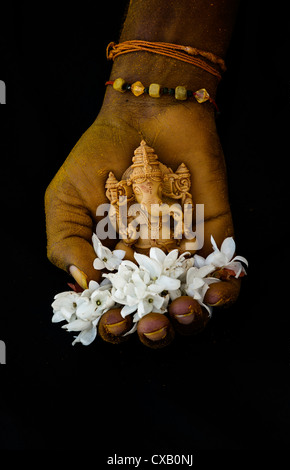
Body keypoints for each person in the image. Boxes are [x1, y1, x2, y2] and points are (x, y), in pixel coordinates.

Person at [45, 0, 242, 346]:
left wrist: (184, 246)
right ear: (132, 185)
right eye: (141, 184)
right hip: (142, 254)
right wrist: (123, 252)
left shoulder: (167, 206)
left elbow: (185, 231)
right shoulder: (136, 210)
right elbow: (124, 236)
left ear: (164, 183)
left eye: (151, 183)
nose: (146, 188)